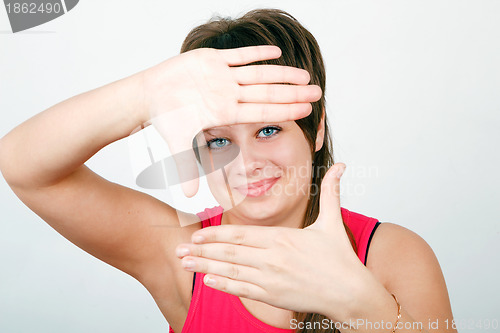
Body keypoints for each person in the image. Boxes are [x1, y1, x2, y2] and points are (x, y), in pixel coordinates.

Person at [0, 8, 456, 333]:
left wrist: (362, 308)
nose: (247, 163)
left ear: (315, 133)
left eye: (268, 130)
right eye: (219, 140)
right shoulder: (187, 260)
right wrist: (143, 95)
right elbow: (24, 166)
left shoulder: (393, 255)